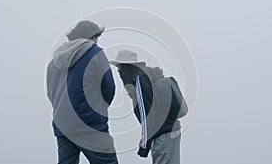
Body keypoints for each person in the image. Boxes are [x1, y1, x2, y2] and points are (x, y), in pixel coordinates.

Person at [46, 20, 118, 164]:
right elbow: (109, 87)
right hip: (90, 124)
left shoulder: (54, 61)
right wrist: (100, 108)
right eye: (96, 37)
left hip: (63, 127)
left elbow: (51, 93)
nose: (96, 41)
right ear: (91, 37)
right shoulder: (94, 52)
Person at [110, 50, 188, 164]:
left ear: (127, 69)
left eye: (120, 68)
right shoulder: (148, 78)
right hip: (172, 132)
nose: (119, 72)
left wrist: (144, 145)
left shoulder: (139, 82)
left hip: (163, 136)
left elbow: (147, 115)